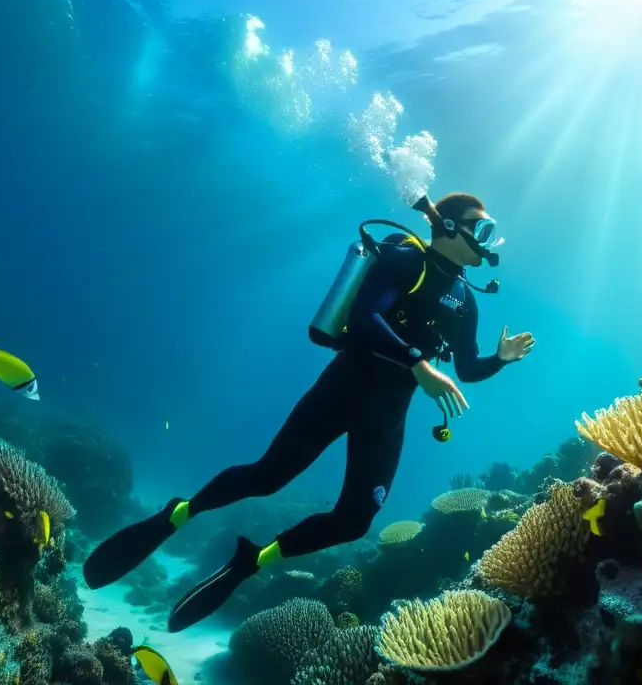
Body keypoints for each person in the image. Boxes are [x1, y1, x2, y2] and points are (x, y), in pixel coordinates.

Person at [82, 192, 535, 632]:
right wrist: (417, 361)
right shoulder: (404, 260)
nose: (489, 240)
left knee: (356, 520)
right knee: (267, 477)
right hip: (341, 390)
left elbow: (468, 368)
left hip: (387, 413)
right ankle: (179, 513)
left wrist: (501, 358)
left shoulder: (465, 297)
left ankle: (253, 561)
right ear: (450, 226)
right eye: (483, 228)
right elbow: (364, 317)